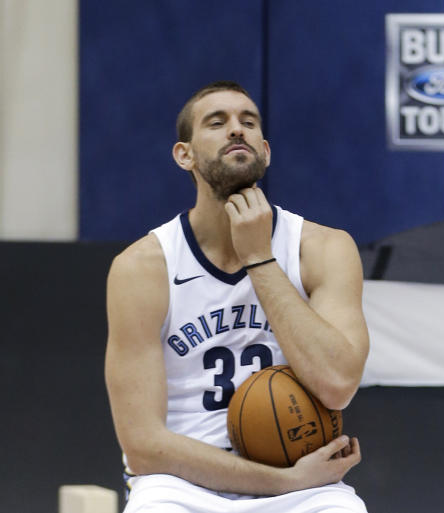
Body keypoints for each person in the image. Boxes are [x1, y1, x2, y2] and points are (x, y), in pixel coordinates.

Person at [105, 81, 370, 513]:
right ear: (184, 155)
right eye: (217, 122)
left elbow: (337, 385)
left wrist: (260, 260)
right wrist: (281, 482)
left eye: (248, 122)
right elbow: (142, 447)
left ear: (264, 150)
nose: (236, 130)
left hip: (305, 482)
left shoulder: (322, 248)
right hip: (180, 485)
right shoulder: (142, 267)